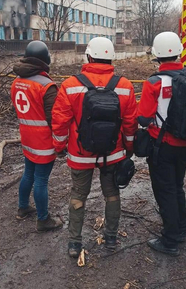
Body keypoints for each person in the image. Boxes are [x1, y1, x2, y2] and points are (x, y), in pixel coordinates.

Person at [51, 37, 137, 258]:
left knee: (79, 195)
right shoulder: (125, 86)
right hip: (113, 153)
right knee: (112, 194)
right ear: (110, 58)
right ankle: (110, 238)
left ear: (88, 56)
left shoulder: (70, 85)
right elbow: (130, 124)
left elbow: (59, 122)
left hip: (80, 155)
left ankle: (74, 243)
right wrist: (128, 147)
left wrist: (59, 146)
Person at [137, 31, 186, 256]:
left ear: (157, 55)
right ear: (178, 52)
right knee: (177, 186)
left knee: (164, 190)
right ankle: (181, 228)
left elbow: (143, 119)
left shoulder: (154, 82)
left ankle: (170, 240)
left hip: (162, 146)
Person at [11, 40, 62, 232]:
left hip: (26, 138)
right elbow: (54, 119)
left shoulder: (16, 82)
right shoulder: (46, 86)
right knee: (41, 179)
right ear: (45, 59)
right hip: (43, 142)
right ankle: (43, 219)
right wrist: (61, 142)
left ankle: (23, 207)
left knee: (28, 174)